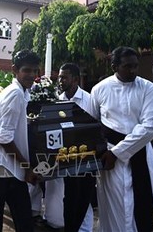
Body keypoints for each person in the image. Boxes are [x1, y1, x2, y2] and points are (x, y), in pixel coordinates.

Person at [89, 46, 153, 232]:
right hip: (109, 161)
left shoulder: (148, 88)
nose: (134, 71)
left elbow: (150, 127)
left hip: (141, 154)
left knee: (143, 206)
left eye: (136, 66)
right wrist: (105, 153)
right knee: (114, 209)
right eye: (128, 66)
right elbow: (92, 125)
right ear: (114, 66)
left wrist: (118, 152)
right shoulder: (99, 89)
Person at [0, 50, 41, 232]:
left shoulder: (19, 91)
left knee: (22, 220)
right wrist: (26, 166)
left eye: (35, 71)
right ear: (15, 70)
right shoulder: (15, 94)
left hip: (8, 169)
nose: (31, 75)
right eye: (27, 70)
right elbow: (4, 138)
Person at [58, 63, 97, 232]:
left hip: (86, 157)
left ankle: (84, 229)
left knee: (84, 196)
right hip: (67, 157)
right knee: (70, 196)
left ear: (75, 79)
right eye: (59, 77)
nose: (60, 81)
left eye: (64, 77)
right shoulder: (58, 99)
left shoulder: (88, 100)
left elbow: (95, 128)